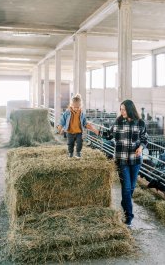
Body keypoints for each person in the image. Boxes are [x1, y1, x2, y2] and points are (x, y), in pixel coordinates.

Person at [103, 99, 148, 227]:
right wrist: (93, 129)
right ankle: (129, 216)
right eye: (120, 109)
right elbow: (108, 135)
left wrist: (141, 148)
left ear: (130, 109)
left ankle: (125, 203)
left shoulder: (140, 123)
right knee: (127, 188)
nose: (121, 111)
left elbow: (145, 138)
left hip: (135, 161)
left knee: (131, 188)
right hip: (122, 160)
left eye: (123, 109)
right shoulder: (118, 122)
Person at [57, 94, 98, 158]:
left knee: (79, 143)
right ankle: (70, 153)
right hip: (70, 131)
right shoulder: (67, 112)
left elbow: (84, 122)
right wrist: (60, 126)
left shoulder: (81, 113)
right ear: (71, 105)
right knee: (70, 143)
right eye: (74, 107)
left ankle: (78, 153)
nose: (76, 109)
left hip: (79, 132)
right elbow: (63, 120)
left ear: (80, 106)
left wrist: (88, 125)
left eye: (78, 107)